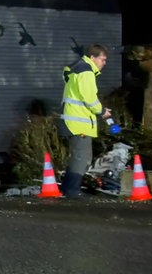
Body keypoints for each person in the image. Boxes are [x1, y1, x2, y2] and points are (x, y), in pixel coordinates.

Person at [59, 43, 112, 198]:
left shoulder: (78, 69)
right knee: (82, 157)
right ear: (92, 57)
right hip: (79, 123)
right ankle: (72, 191)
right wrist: (102, 111)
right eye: (102, 59)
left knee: (78, 156)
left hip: (74, 121)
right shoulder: (86, 72)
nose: (104, 63)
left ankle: (68, 188)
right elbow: (88, 97)